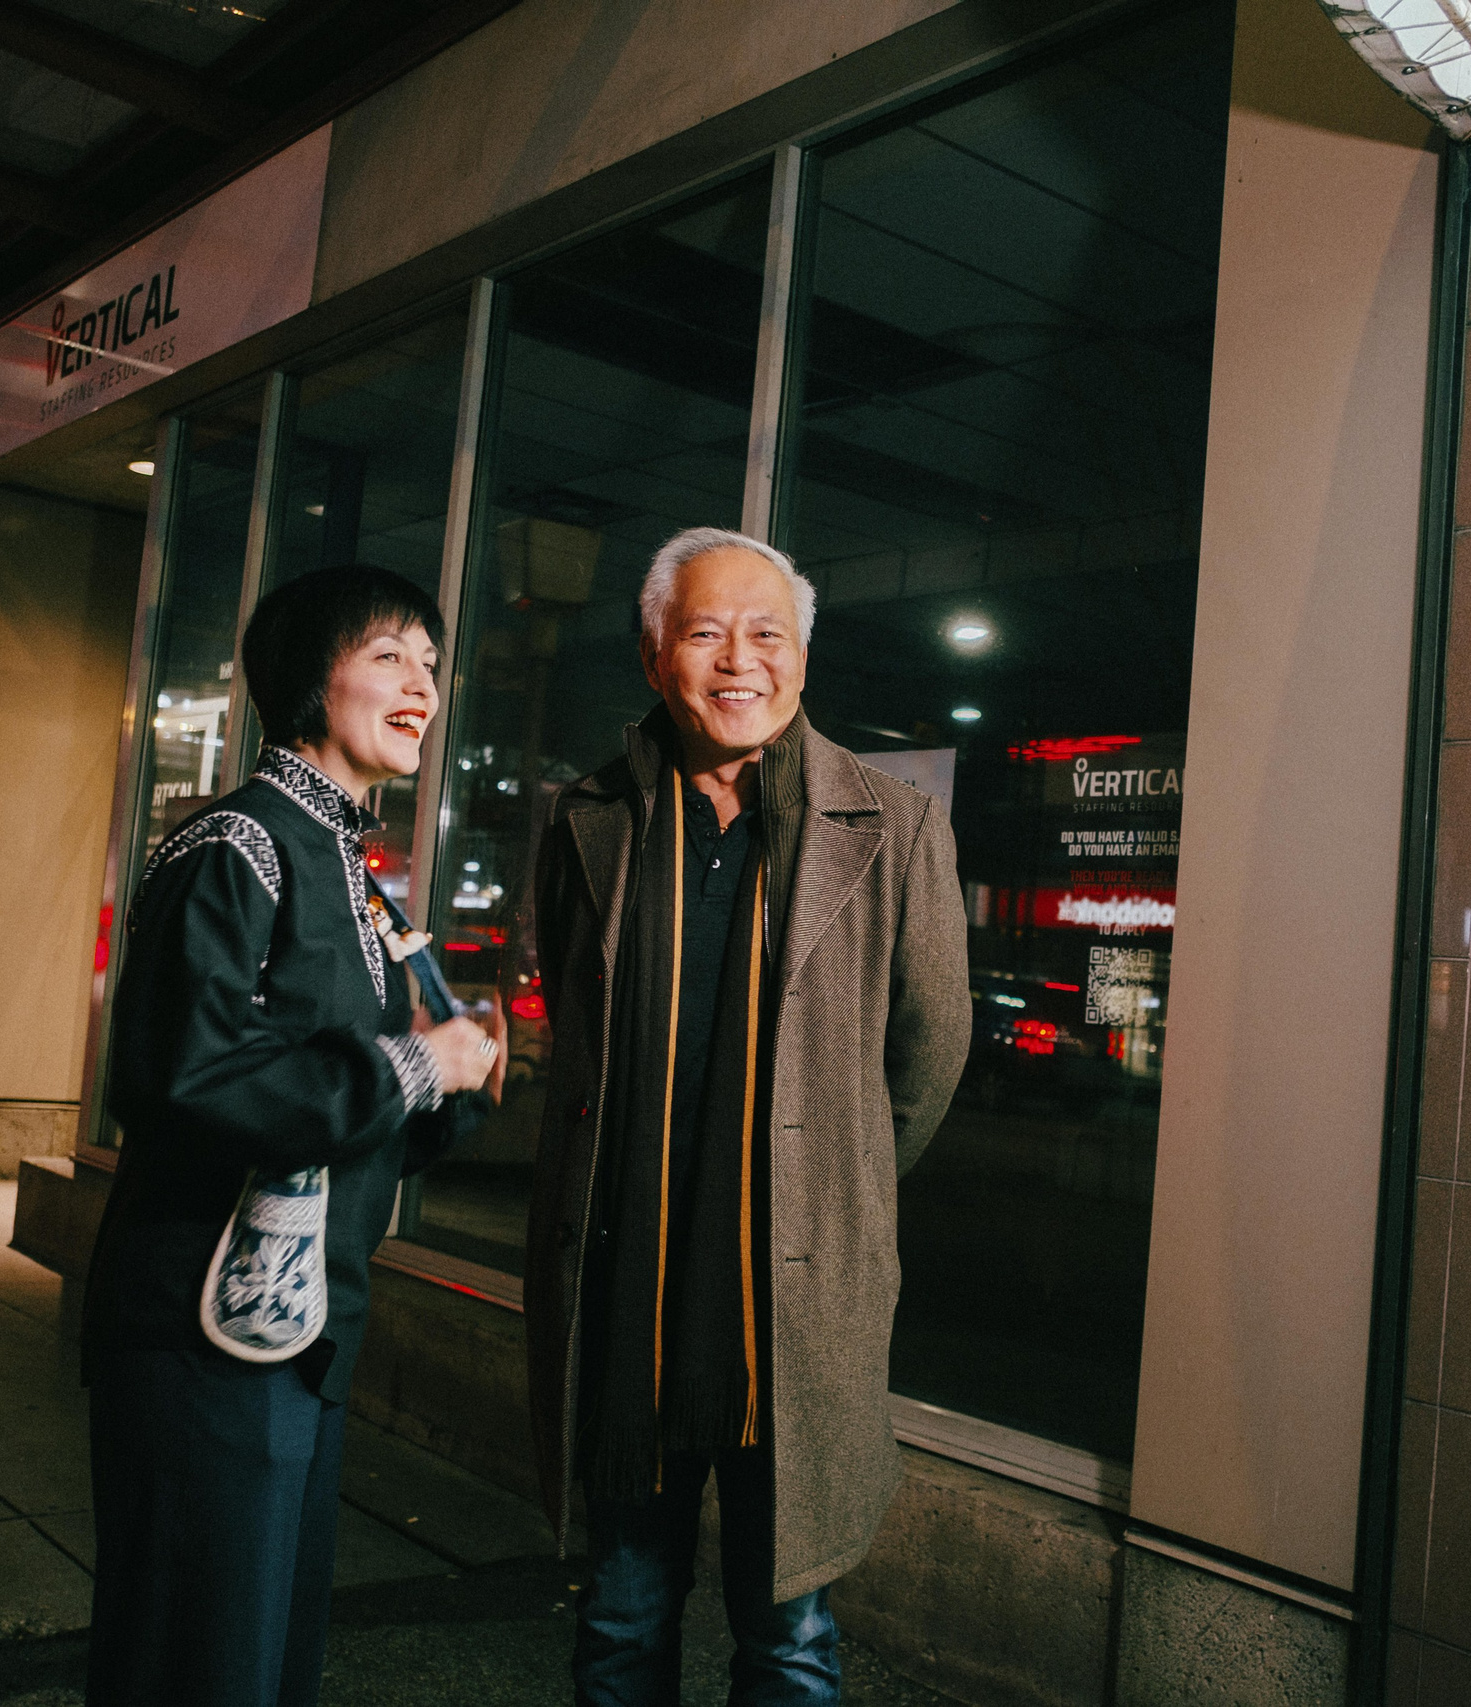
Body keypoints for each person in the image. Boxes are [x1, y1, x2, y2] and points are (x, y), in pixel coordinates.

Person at [527, 526, 971, 1705]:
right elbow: (573, 1045)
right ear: (651, 653)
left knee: (790, 1639)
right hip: (630, 1297)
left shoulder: (890, 829)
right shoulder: (589, 820)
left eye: (767, 634)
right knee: (621, 1619)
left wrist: (830, 1186)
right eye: (707, 632)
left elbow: (927, 1062)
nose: (740, 661)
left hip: (794, 1304)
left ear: (803, 659)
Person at [83, 566, 503, 1707]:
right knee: (196, 1652)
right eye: (387, 656)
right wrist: (417, 1064)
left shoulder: (357, 875)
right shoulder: (233, 846)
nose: (422, 681)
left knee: (259, 1654)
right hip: (198, 1329)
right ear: (307, 680)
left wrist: (444, 1081)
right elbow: (186, 1075)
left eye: (429, 658)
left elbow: (368, 1114)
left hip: (298, 1328)